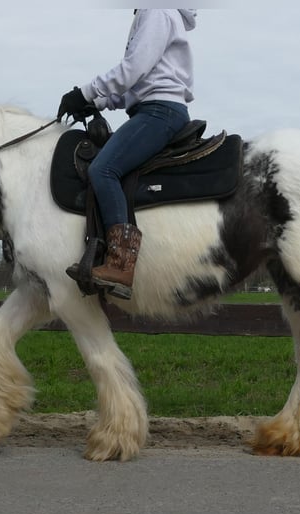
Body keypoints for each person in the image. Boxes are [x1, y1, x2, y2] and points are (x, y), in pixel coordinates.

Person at [57, 8, 198, 300]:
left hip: (160, 111)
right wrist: (96, 101)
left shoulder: (157, 10)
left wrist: (84, 92)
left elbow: (133, 70)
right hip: (154, 108)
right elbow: (135, 84)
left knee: (102, 170)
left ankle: (120, 265)